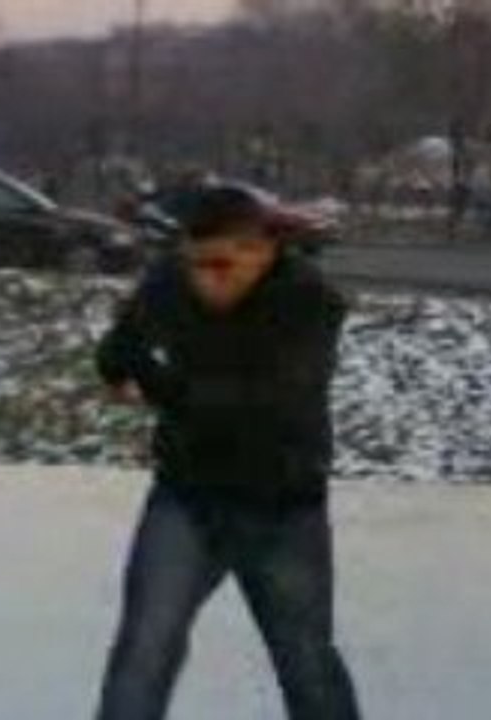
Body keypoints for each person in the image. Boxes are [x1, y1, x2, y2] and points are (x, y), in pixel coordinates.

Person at [93, 184, 362, 720]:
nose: (203, 278)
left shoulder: (308, 301)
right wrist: (134, 373)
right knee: (143, 647)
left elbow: (268, 402)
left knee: (304, 657)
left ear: (262, 251)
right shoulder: (170, 282)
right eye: (194, 262)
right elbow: (116, 352)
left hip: (282, 506)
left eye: (220, 264)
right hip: (187, 497)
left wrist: (167, 390)